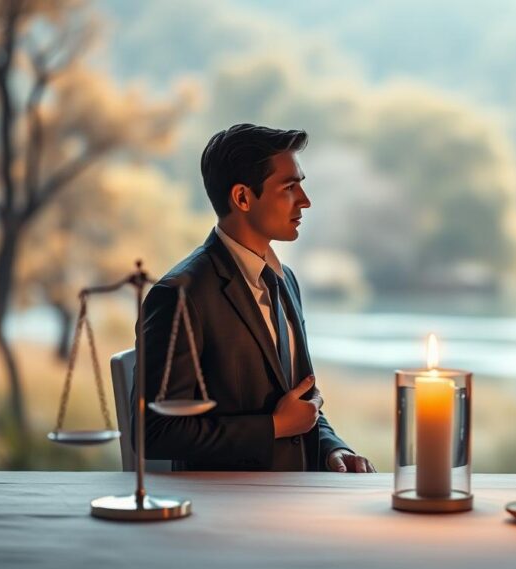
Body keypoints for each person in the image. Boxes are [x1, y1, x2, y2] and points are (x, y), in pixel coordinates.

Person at [134, 123, 375, 472]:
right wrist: (273, 427)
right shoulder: (180, 295)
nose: (305, 200)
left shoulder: (285, 280)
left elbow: (299, 404)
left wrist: (331, 449)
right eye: (289, 187)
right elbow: (153, 432)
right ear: (243, 198)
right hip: (227, 501)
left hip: (297, 493)